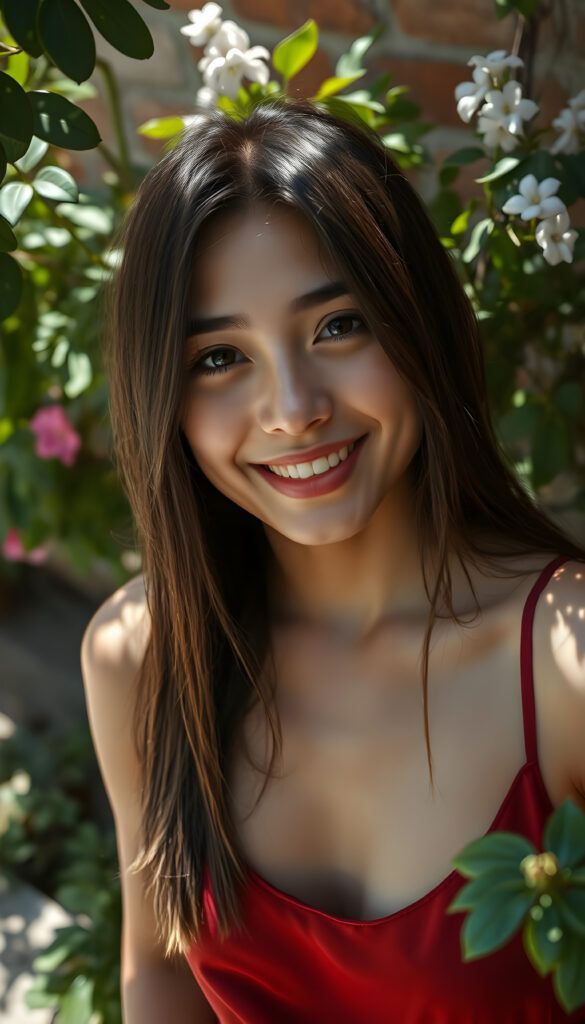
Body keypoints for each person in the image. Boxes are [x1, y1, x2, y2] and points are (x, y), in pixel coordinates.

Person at [81, 98, 585, 1023]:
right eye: (219, 357)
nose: (292, 409)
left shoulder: (561, 667)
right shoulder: (143, 654)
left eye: (338, 325)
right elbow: (158, 970)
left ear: (417, 323)